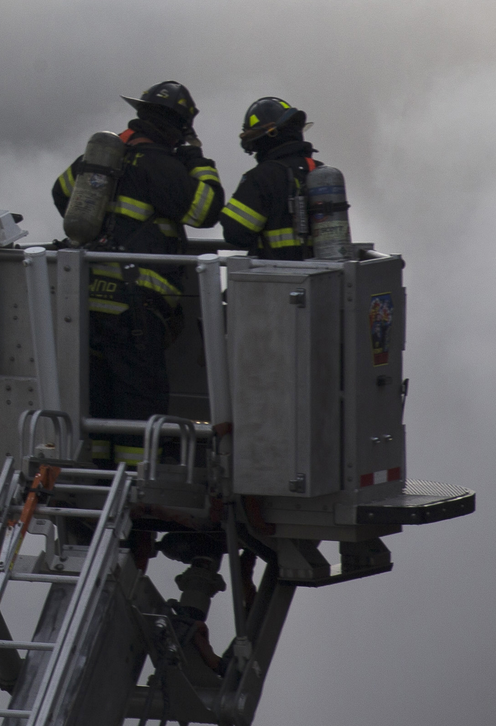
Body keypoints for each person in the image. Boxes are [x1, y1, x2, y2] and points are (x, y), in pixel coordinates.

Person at [51, 82, 224, 464]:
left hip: (87, 300)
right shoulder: (161, 166)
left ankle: (95, 478)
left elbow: (62, 192)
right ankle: (132, 483)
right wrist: (197, 159)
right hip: (135, 308)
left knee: (97, 400)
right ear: (179, 127)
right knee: (138, 403)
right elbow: (207, 209)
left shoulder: (103, 159)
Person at [221, 97, 322, 258]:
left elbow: (236, 233)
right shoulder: (320, 171)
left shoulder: (261, 177)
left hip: (277, 277)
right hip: (326, 278)